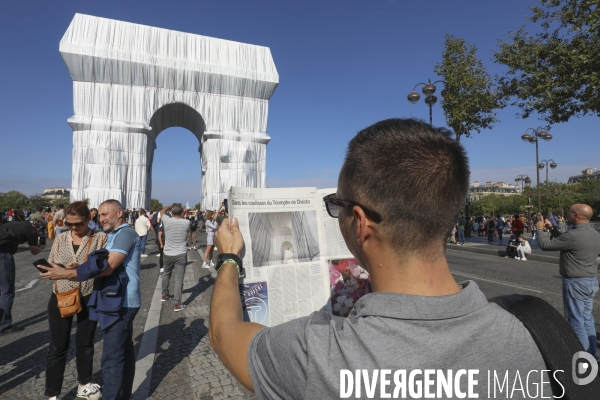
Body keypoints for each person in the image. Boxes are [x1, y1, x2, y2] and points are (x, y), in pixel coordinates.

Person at [208, 118, 546, 398]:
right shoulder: (538, 333)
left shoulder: (317, 355)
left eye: (336, 206)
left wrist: (228, 258)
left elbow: (225, 334)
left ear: (360, 222)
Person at [40, 199, 142, 400]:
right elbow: (96, 264)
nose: (101, 218)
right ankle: (53, 393)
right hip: (73, 295)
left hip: (107, 298)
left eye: (105, 214)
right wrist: (66, 270)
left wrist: (68, 273)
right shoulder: (112, 235)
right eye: (69, 224)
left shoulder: (115, 235)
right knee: (119, 354)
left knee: (110, 357)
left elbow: (107, 266)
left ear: (119, 213)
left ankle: (92, 387)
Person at [44, 201, 107, 400]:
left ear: (89, 219)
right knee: (57, 346)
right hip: (61, 295)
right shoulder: (61, 239)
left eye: (77, 224)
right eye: (68, 223)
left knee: (85, 343)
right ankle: (52, 394)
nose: (72, 228)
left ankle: (84, 384)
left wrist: (77, 268)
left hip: (88, 295)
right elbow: (52, 263)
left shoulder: (100, 238)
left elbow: (103, 268)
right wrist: (60, 268)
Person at [537, 204, 600, 358]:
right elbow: (566, 241)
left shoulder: (573, 235)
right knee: (587, 320)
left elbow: (545, 245)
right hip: (590, 281)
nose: (566, 215)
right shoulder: (594, 233)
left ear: (576, 215)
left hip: (576, 283)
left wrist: (540, 230)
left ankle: (584, 360)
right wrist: (552, 229)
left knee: (575, 321)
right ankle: (592, 356)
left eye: (569, 212)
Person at [0, 220, 43, 334]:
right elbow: (35, 252)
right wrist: (40, 248)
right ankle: (4, 326)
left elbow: (12, 248)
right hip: (2, 257)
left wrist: (27, 248)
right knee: (6, 291)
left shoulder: (13, 225)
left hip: (3, 251)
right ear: (38, 228)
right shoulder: (32, 231)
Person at [160, 203, 190, 311]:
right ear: (182, 212)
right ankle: (176, 303)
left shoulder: (167, 221)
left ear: (171, 212)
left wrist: (170, 205)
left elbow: (162, 212)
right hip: (181, 252)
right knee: (179, 278)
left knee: (166, 274)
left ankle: (164, 295)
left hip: (168, 252)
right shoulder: (187, 222)